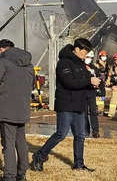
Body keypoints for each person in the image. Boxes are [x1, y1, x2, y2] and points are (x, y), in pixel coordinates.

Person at [31, 38, 101, 172]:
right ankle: (39, 156)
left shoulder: (81, 64)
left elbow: (83, 82)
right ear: (77, 49)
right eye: (84, 51)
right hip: (66, 105)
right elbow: (70, 82)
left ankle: (79, 165)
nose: (86, 54)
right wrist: (88, 80)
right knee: (61, 134)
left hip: (79, 105)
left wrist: (93, 83)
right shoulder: (63, 63)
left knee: (80, 136)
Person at [0, 39, 34, 181]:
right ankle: (22, 174)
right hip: (23, 107)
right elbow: (31, 84)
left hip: (7, 107)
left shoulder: (2, 61)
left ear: (2, 49)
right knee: (21, 141)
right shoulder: (29, 64)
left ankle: (9, 176)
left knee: (8, 143)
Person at [83, 51, 100, 138]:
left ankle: (95, 131)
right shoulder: (80, 66)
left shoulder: (94, 68)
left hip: (91, 91)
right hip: (83, 92)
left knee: (93, 111)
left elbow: (99, 78)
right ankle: (86, 131)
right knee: (84, 112)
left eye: (90, 58)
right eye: (87, 57)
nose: (88, 59)